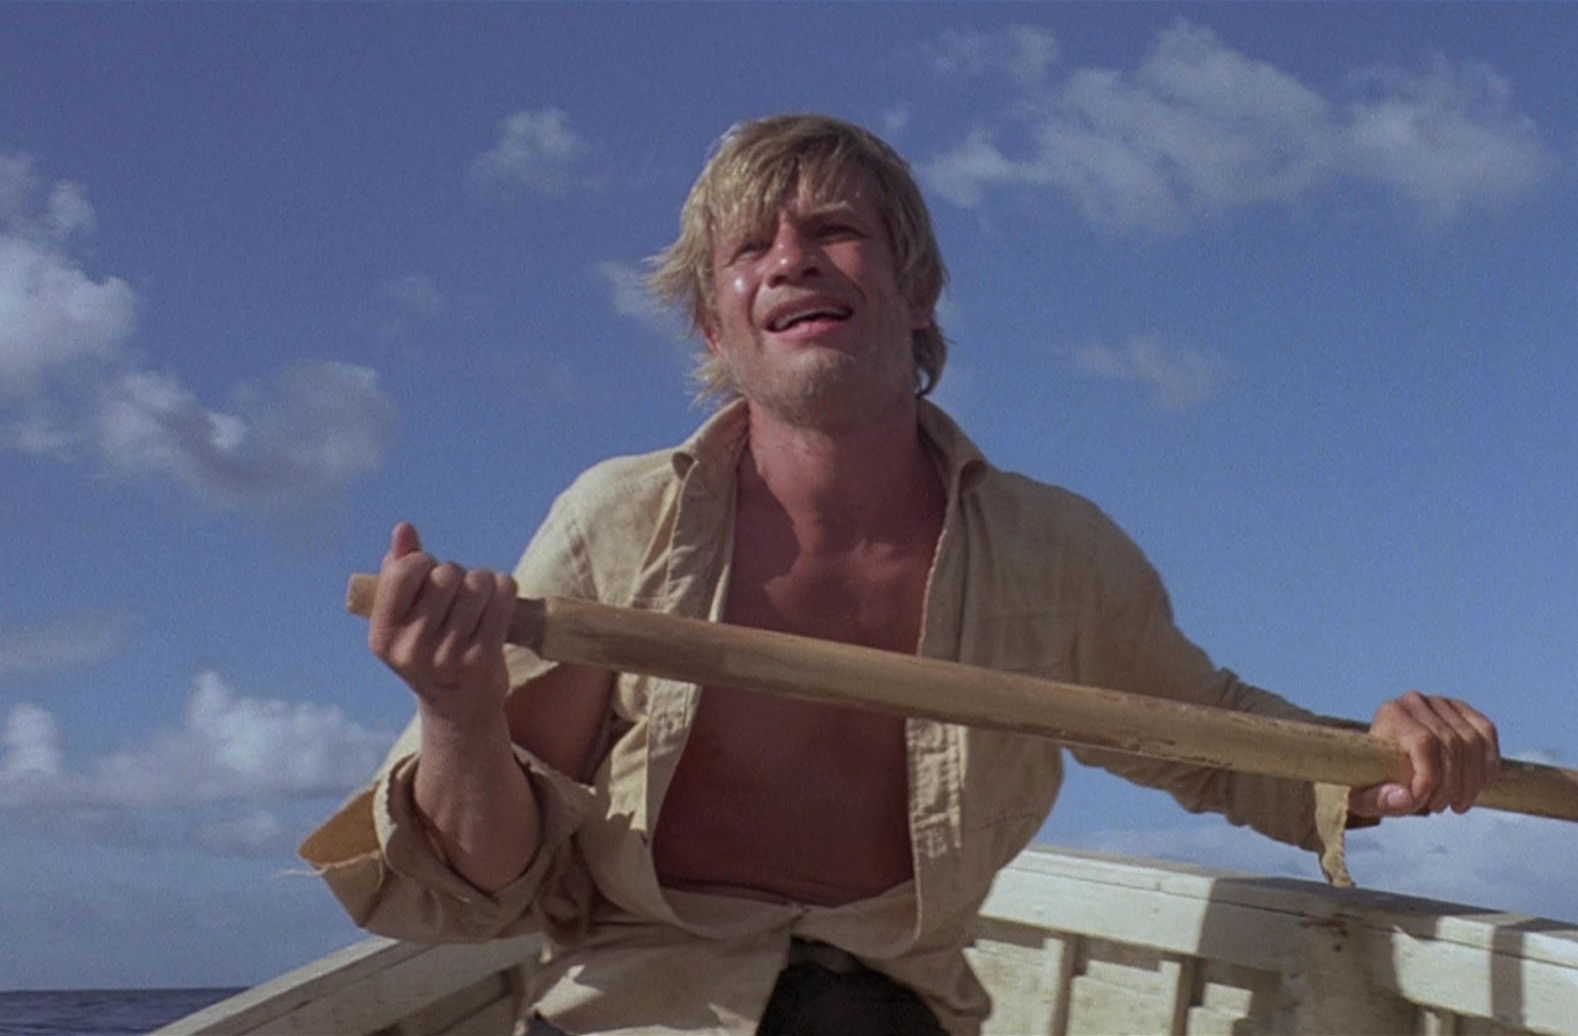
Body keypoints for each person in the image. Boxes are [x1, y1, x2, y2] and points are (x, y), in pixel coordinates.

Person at [301, 114, 1500, 1036]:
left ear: (915, 287)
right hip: (641, 1010)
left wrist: (1377, 766)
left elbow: (1210, 739)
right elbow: (485, 881)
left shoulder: (1054, 552)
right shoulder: (618, 524)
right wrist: (455, 713)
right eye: (748, 248)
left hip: (895, 1009)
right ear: (714, 326)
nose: (790, 260)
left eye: (832, 230)